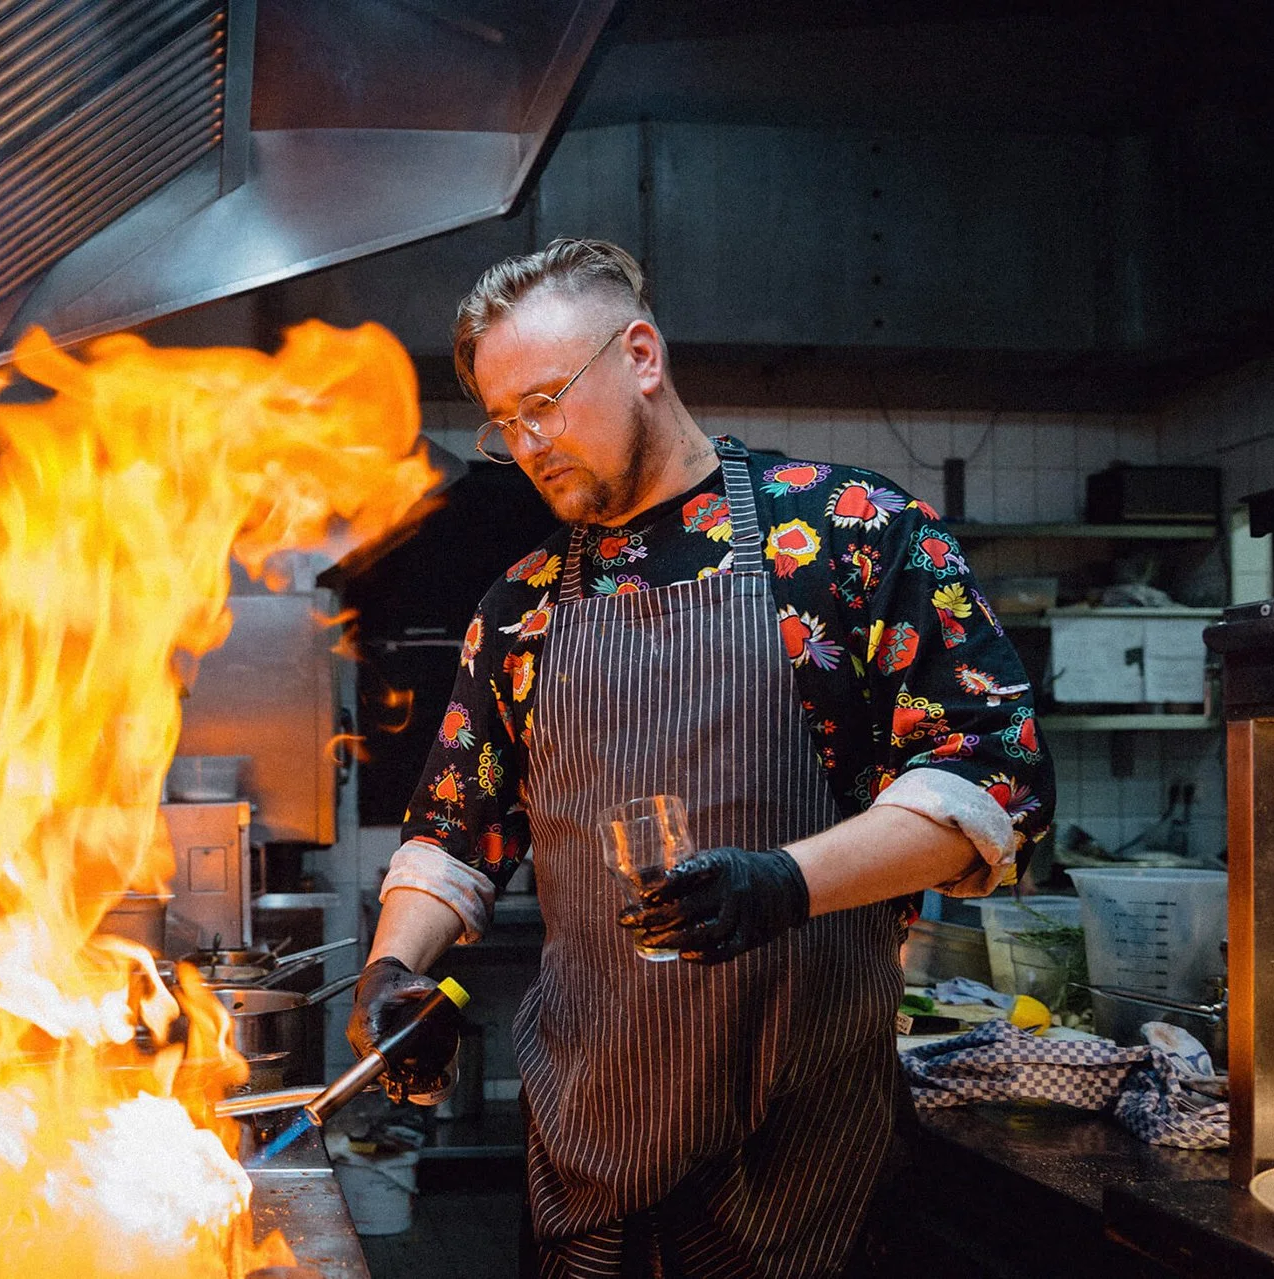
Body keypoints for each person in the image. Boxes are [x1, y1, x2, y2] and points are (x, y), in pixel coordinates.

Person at [347, 239, 1055, 1278]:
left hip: (805, 1166)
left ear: (640, 355)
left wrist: (785, 882)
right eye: (505, 423)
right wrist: (390, 969)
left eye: (546, 400)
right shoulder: (521, 607)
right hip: (588, 1165)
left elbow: (994, 778)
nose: (530, 442)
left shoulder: (852, 534)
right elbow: (452, 832)